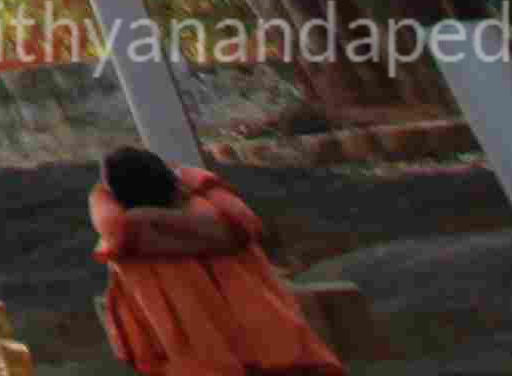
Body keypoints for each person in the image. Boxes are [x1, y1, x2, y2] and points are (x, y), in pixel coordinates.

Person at [92, 145, 340, 376]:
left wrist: (145, 214)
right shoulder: (220, 217)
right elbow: (229, 236)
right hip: (260, 332)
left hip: (194, 347)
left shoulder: (123, 239)